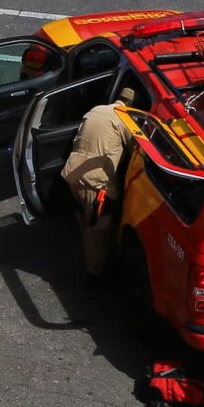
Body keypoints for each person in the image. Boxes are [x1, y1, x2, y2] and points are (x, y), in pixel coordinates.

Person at [60, 83, 141, 277]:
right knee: (99, 228)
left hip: (73, 172)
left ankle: (90, 260)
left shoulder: (96, 110)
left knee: (85, 220)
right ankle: (94, 273)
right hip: (95, 183)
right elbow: (138, 150)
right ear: (132, 106)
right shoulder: (124, 118)